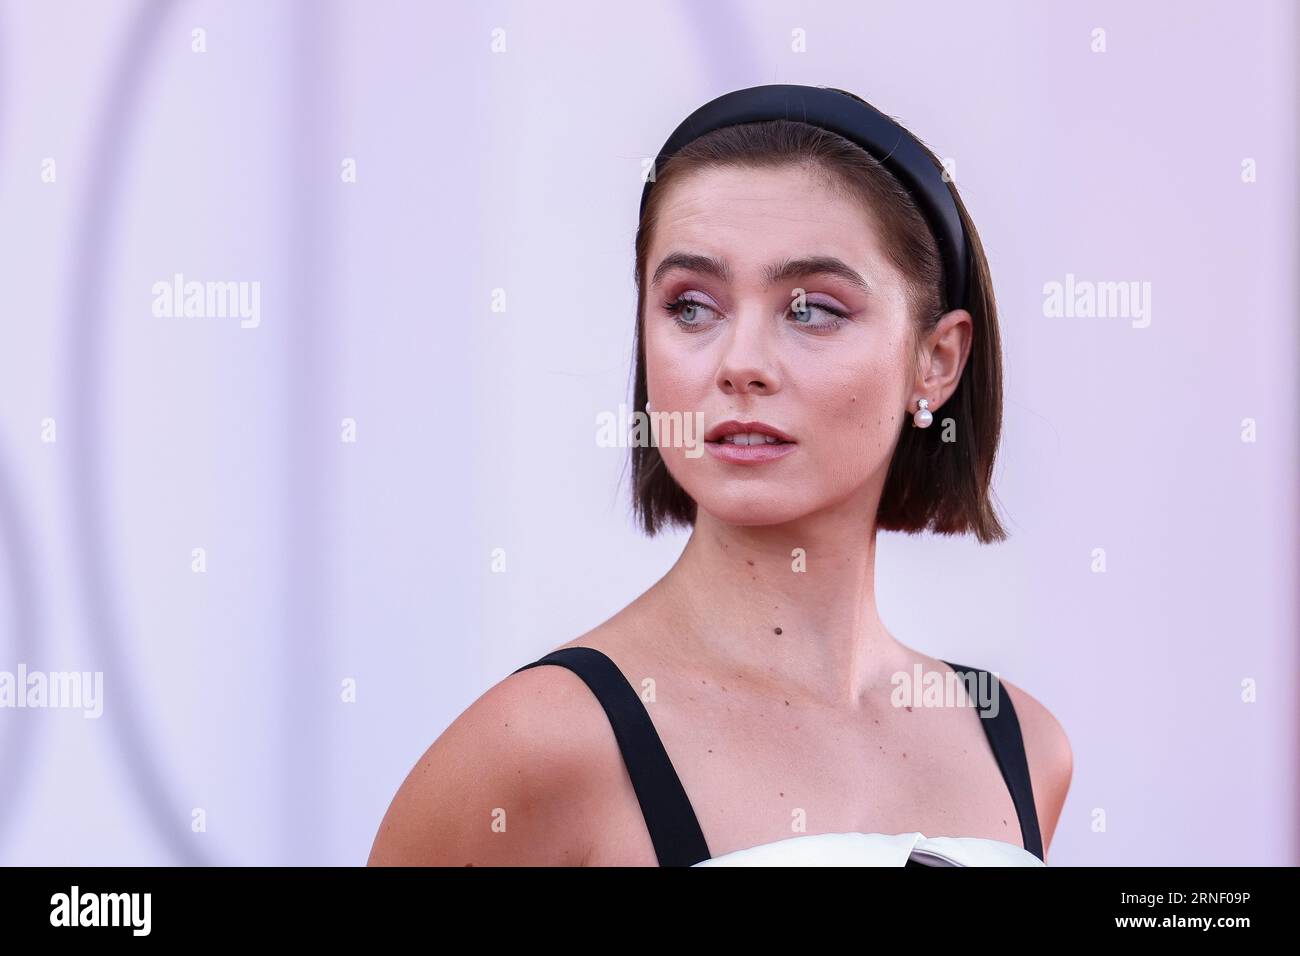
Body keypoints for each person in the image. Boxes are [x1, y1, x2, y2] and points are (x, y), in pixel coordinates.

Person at [368, 84, 1073, 867]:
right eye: (692, 306)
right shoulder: (538, 747)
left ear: (937, 361)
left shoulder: (1024, 746)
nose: (741, 365)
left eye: (811, 310)